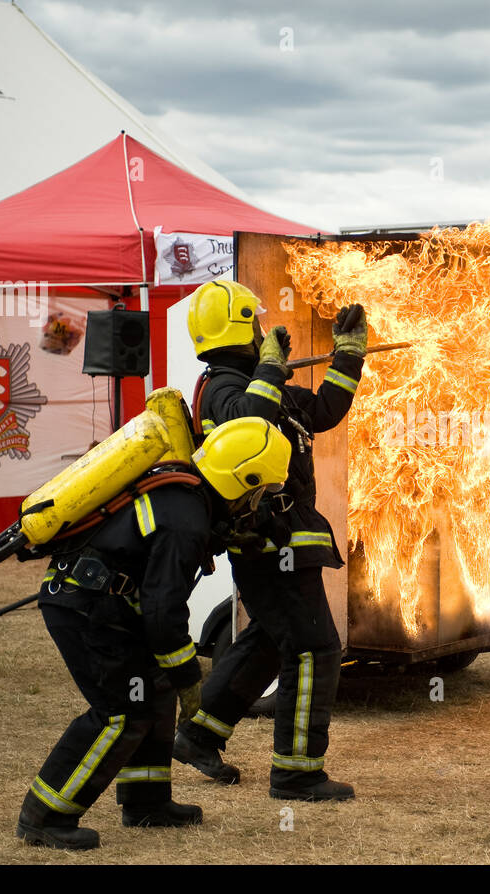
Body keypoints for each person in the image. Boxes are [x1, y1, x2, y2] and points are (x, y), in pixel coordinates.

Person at [17, 417, 292, 850]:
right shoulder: (186, 519)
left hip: (102, 603)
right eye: (259, 491)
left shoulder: (185, 496)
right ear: (242, 479)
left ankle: (147, 802)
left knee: (152, 692)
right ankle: (45, 814)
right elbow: (164, 615)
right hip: (86, 609)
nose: (257, 503)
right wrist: (190, 683)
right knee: (121, 711)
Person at [173, 279, 366, 802]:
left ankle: (198, 734)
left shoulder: (261, 382)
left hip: (285, 540)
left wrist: (348, 357)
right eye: (255, 324)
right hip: (265, 544)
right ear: (240, 328)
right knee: (315, 647)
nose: (264, 332)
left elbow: (323, 411)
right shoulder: (222, 389)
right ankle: (297, 773)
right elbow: (249, 423)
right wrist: (271, 370)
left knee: (268, 641)